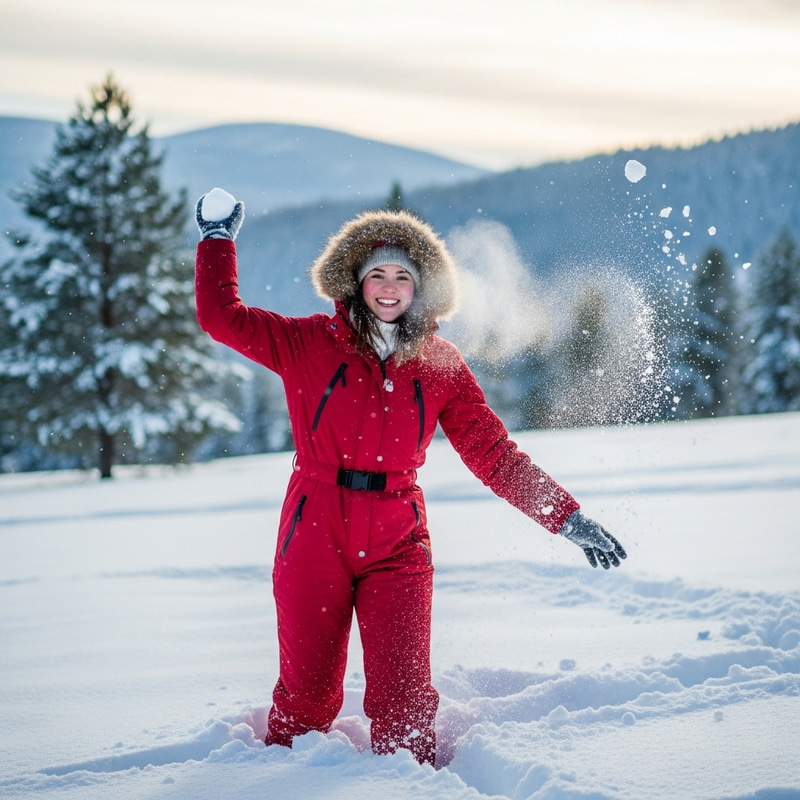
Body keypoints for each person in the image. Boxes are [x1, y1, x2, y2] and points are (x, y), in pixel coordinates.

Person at [193, 188, 627, 767]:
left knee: (405, 711)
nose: (391, 287)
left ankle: (412, 787)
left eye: (403, 275)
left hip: (398, 539)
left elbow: (494, 454)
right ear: (355, 281)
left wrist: (564, 515)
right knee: (307, 706)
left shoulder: (440, 363)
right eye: (378, 274)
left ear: (422, 286)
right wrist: (217, 240)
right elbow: (221, 318)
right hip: (314, 531)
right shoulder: (306, 344)